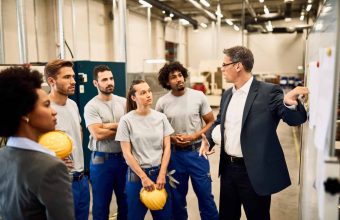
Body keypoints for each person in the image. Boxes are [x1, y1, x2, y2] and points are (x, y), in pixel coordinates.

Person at [201, 46, 308, 220]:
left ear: (238, 66)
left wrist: (290, 103)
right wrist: (210, 139)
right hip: (228, 169)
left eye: (224, 64)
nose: (222, 68)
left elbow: (294, 120)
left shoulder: (268, 92)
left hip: (254, 172)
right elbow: (220, 122)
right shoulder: (228, 94)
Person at [0, 67, 74, 219]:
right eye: (46, 105)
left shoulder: (3, 156)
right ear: (25, 114)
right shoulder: (51, 168)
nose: (54, 111)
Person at [155, 62, 219, 220]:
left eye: (180, 75)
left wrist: (195, 136)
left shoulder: (198, 96)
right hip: (174, 157)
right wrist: (171, 138)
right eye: (173, 77)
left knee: (205, 197)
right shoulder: (162, 103)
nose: (178, 79)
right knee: (177, 200)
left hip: (197, 153)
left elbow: (211, 121)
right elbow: (158, 130)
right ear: (167, 82)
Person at [115, 80, 174, 220]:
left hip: (159, 175)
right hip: (137, 177)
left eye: (149, 91)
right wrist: (144, 177)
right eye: (143, 93)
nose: (148, 95)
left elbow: (167, 148)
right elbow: (127, 154)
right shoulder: (126, 120)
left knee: (164, 217)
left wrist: (162, 174)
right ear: (133, 97)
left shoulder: (161, 118)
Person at [45, 60, 90, 220]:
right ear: (51, 81)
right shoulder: (44, 110)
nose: (73, 81)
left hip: (81, 179)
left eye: (73, 77)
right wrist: (51, 160)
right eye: (67, 77)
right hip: (60, 182)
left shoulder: (73, 105)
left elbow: (78, 132)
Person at [84, 65, 128, 220]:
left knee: (126, 202)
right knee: (101, 205)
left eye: (111, 78)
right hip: (101, 161)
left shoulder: (124, 102)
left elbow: (132, 128)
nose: (109, 82)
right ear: (96, 83)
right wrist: (120, 126)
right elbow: (97, 134)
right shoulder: (91, 106)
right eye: (104, 79)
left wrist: (105, 125)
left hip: (124, 158)